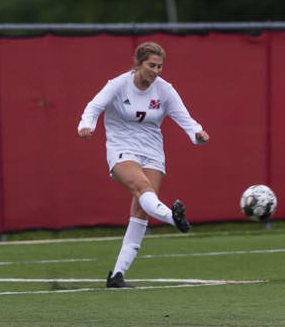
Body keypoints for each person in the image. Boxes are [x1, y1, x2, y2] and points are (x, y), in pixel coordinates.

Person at [79, 41, 209, 288]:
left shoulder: (165, 90)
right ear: (138, 64)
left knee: (141, 210)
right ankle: (174, 218)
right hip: (122, 149)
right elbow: (93, 107)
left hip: (152, 152)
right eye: (151, 65)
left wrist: (198, 134)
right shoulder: (118, 85)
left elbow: (186, 120)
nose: (156, 71)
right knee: (141, 186)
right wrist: (86, 125)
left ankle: (117, 275)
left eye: (160, 66)